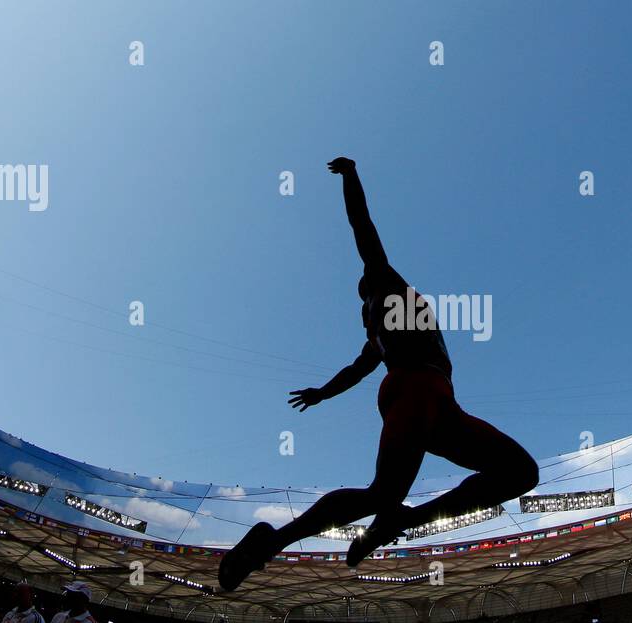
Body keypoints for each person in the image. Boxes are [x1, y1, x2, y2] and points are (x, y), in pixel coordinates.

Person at [218, 157, 539, 591]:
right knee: (382, 495)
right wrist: (351, 177)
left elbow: (354, 371)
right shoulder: (386, 288)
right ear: (374, 286)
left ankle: (397, 519)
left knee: (519, 472)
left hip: (436, 401)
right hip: (415, 389)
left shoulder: (380, 335)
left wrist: (320, 394)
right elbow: (362, 226)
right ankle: (273, 541)